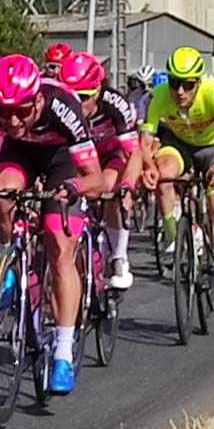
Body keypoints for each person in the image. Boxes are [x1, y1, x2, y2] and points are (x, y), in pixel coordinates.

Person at [0, 54, 105, 396]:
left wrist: (75, 188)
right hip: (19, 155)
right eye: (4, 111)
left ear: (37, 98)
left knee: (59, 241)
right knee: (1, 190)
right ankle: (10, 258)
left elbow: (95, 177)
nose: (13, 118)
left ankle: (63, 351)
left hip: (62, 161)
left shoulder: (62, 106)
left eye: (21, 110)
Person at [139, 47, 214, 314]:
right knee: (162, 175)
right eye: (175, 84)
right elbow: (146, 140)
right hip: (180, 145)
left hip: (213, 149)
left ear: (198, 82)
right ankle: (175, 237)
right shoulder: (159, 96)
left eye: (187, 85)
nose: (180, 92)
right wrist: (148, 166)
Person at [59, 52, 140, 290]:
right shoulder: (65, 108)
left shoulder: (114, 103)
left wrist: (128, 186)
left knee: (109, 187)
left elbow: (133, 153)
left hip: (109, 156)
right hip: (78, 157)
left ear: (97, 91)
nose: (76, 102)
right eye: (71, 95)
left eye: (82, 97)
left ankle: (118, 257)